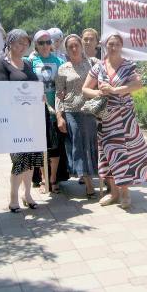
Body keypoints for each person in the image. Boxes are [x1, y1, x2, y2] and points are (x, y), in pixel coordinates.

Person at [82, 33, 147, 209]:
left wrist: (115, 90)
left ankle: (125, 193)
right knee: (108, 154)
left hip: (124, 119)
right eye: (110, 44)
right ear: (105, 46)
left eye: (116, 44)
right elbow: (85, 89)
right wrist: (99, 93)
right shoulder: (99, 67)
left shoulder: (128, 66)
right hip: (105, 119)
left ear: (121, 46)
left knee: (124, 154)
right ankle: (114, 192)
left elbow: (138, 85)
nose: (113, 47)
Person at [0, 29, 40, 212]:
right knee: (19, 159)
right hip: (13, 121)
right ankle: (13, 197)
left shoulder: (27, 64)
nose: (22, 47)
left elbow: (34, 86)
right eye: (19, 43)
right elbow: (1, 91)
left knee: (31, 158)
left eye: (25, 44)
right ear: (10, 43)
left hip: (31, 119)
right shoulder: (0, 64)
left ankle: (27, 194)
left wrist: (39, 96)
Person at [55, 34, 98, 198]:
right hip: (72, 111)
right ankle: (88, 184)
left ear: (81, 46)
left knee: (91, 145)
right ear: (66, 49)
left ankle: (94, 176)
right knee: (79, 145)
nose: (74, 48)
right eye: (70, 46)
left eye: (76, 45)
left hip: (90, 111)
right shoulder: (63, 68)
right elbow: (59, 95)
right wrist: (60, 117)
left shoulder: (92, 63)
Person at [26, 30, 66, 193]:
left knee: (55, 148)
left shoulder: (59, 60)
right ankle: (43, 180)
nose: (44, 46)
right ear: (35, 44)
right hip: (37, 111)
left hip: (55, 110)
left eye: (47, 42)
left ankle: (53, 179)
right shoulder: (30, 61)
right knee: (42, 146)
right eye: (41, 43)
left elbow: (64, 85)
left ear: (52, 43)